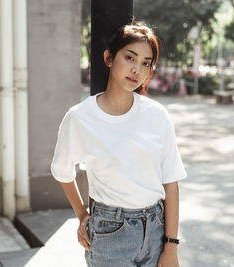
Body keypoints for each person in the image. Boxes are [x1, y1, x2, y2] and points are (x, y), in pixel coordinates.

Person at [50, 21, 187, 267]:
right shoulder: (80, 117)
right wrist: (82, 215)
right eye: (130, 57)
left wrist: (171, 246)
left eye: (146, 63)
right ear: (109, 58)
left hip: (156, 228)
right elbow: (62, 171)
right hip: (109, 234)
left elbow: (171, 182)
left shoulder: (156, 115)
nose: (137, 69)